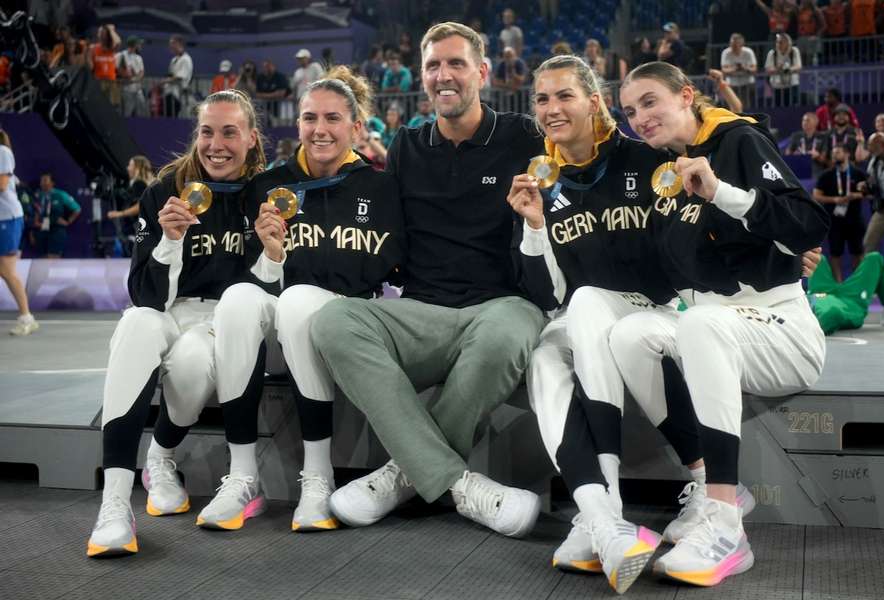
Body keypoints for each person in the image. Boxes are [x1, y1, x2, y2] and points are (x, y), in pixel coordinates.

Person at [309, 22, 546, 538]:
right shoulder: (408, 144)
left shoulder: (524, 136)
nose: (444, 75)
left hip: (503, 304)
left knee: (505, 335)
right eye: (434, 65)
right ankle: (458, 484)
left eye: (456, 63)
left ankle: (404, 475)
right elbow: (386, 237)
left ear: (482, 72)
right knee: (332, 319)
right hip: (422, 312)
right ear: (422, 75)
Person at [613, 61, 828, 587]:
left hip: (781, 327)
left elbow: (809, 225)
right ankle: (707, 483)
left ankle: (727, 525)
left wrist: (723, 195)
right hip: (713, 324)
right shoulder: (663, 172)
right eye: (629, 110)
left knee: (703, 324)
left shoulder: (737, 141)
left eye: (649, 101)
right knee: (629, 335)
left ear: (686, 95)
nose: (639, 117)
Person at [506, 54, 701, 594]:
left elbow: (698, 228)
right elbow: (548, 295)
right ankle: (601, 516)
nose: (551, 109)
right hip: (587, 318)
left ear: (594, 102)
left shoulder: (647, 158)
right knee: (546, 349)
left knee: (588, 301)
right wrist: (533, 230)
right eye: (542, 99)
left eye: (564, 96)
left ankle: (604, 505)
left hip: (657, 313)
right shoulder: (539, 181)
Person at [203, 67, 405, 532]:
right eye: (309, 118)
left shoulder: (381, 188)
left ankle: (318, 475)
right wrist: (272, 257)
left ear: (356, 128)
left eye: (333, 118)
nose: (319, 129)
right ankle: (241, 475)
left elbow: (398, 269)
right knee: (237, 299)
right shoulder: (267, 188)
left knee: (297, 301)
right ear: (297, 125)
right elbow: (255, 279)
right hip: (284, 327)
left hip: (350, 326)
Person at [86, 89, 266, 557]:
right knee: (136, 325)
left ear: (251, 138)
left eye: (230, 132)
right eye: (207, 131)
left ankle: (160, 457)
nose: (216, 144)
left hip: (226, 321)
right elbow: (146, 297)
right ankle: (113, 507)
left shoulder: (267, 196)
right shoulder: (164, 192)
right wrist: (169, 241)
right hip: (169, 309)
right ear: (196, 135)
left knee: (189, 362)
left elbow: (263, 292)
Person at [0, 129, 38, 336]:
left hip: (7, 218)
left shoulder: (3, 152)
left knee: (7, 270)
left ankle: (26, 317)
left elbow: (2, 184)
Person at [808, 251, 884, 334]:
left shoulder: (808, 307)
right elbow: (831, 316)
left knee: (816, 257)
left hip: (821, 293)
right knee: (875, 258)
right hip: (852, 303)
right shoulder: (830, 313)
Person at [813, 144, 867, 280]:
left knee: (857, 252)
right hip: (834, 220)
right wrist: (835, 199)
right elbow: (816, 195)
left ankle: (856, 284)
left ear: (847, 154)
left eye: (838, 152)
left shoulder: (858, 173)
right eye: (833, 153)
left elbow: (869, 192)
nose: (835, 155)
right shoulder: (826, 175)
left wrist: (855, 195)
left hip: (854, 219)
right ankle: (838, 284)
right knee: (835, 253)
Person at [860, 132, 884, 256]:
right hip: (882, 208)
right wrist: (865, 186)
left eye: (871, 144)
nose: (869, 147)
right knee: (868, 243)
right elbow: (871, 184)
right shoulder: (873, 161)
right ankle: (871, 274)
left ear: (882, 144)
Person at [107, 155, 154, 255]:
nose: (127, 168)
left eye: (130, 165)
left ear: (137, 168)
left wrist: (119, 214)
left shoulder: (139, 184)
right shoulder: (141, 184)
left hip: (138, 229)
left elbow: (140, 206)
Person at [33, 173, 80, 258]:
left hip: (56, 229)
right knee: (42, 258)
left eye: (45, 180)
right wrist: (36, 222)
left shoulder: (60, 195)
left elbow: (77, 209)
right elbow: (37, 210)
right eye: (41, 181)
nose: (42, 183)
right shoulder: (38, 195)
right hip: (42, 229)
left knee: (53, 258)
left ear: (52, 183)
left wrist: (68, 221)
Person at [785, 112, 831, 179]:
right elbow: (787, 154)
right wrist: (793, 155)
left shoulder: (823, 137)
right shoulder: (796, 136)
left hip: (816, 170)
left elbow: (825, 159)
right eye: (803, 120)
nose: (804, 122)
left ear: (815, 123)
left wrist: (817, 156)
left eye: (807, 120)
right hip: (799, 169)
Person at [720, 33, 757, 109]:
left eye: (736, 44)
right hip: (731, 85)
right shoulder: (726, 53)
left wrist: (744, 68)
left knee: (746, 109)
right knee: (732, 108)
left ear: (741, 44)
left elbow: (754, 69)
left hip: (746, 85)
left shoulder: (749, 52)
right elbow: (724, 70)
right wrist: (735, 68)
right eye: (731, 44)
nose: (733, 46)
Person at [88, 24, 121, 107]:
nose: (102, 34)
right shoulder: (93, 48)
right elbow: (90, 67)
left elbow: (118, 42)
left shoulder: (111, 48)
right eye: (101, 32)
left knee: (112, 107)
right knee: (97, 106)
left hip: (111, 81)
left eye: (105, 33)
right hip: (98, 81)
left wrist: (111, 30)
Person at [765, 33, 801, 107]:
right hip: (777, 87)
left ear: (787, 43)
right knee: (777, 108)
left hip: (792, 85)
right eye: (777, 42)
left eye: (781, 42)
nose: (778, 44)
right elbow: (768, 69)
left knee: (793, 108)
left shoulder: (794, 51)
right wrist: (778, 68)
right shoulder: (772, 53)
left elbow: (798, 66)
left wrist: (788, 69)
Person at [162, 35, 192, 117]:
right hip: (169, 93)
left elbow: (180, 77)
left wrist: (164, 81)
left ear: (179, 44)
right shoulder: (174, 60)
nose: (170, 46)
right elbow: (171, 74)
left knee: (175, 117)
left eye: (172, 43)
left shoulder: (186, 59)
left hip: (178, 94)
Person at [117, 36, 146, 117]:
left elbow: (142, 72)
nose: (140, 46)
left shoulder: (139, 58)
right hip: (126, 89)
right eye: (139, 44)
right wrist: (125, 75)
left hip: (137, 88)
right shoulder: (121, 55)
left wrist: (136, 79)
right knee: (127, 111)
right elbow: (117, 69)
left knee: (142, 108)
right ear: (134, 45)